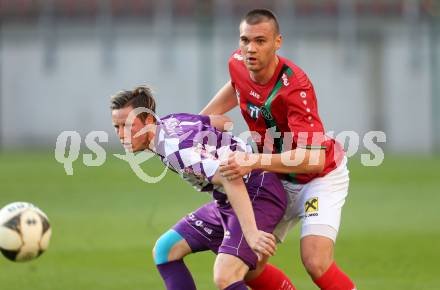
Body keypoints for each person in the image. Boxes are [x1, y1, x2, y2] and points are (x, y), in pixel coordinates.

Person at [200, 8, 356, 290]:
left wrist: (253, 161)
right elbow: (237, 85)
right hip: (275, 181)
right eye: (245, 40)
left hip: (318, 180)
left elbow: (314, 160)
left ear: (277, 42)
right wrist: (198, 122)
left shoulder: (295, 87)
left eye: (260, 41)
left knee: (315, 261)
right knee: (248, 264)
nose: (250, 48)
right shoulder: (237, 64)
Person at [110, 86, 295, 290]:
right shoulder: (171, 121)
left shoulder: (175, 149)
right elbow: (224, 122)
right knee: (166, 250)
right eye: (116, 127)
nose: (121, 134)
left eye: (128, 126)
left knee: (226, 276)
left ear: (149, 121)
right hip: (229, 197)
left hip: (256, 190)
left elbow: (230, 177)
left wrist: (251, 233)